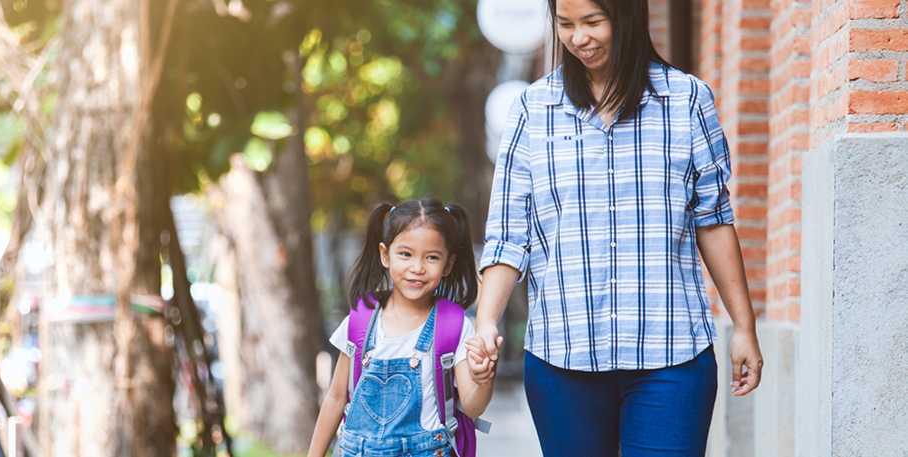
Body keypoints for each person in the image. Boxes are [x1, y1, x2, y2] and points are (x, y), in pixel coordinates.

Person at [466, 0, 765, 454]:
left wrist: (743, 326)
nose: (577, 38)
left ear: (627, 16)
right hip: (562, 358)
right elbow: (508, 235)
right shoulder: (533, 108)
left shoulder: (687, 100)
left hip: (672, 358)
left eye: (592, 22)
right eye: (565, 24)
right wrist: (485, 322)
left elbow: (714, 220)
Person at [308, 199, 500, 457]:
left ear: (449, 264)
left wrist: (483, 380)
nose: (417, 268)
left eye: (432, 257)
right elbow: (335, 398)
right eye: (405, 254)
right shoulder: (358, 321)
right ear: (385, 255)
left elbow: (473, 407)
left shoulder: (454, 327)